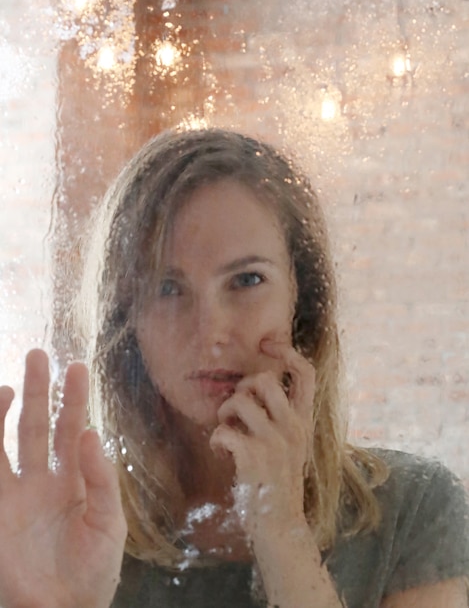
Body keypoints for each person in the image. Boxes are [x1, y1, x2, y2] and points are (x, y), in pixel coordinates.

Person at [0, 128, 467, 608]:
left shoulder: (414, 509)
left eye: (246, 280)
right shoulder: (71, 525)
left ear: (301, 302)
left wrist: (281, 527)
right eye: (167, 287)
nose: (211, 331)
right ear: (127, 319)